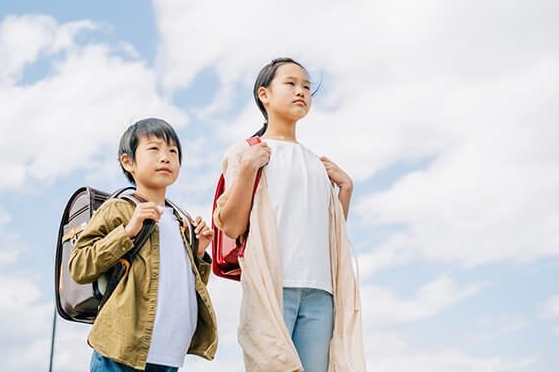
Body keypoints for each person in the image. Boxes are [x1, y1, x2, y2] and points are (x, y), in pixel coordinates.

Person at [213, 58, 366, 371]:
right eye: (291, 83)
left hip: (321, 292)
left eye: (307, 87)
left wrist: (345, 192)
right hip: (273, 287)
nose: (301, 92)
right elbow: (230, 226)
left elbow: (330, 236)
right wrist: (247, 171)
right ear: (264, 95)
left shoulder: (318, 163)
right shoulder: (246, 152)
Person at [69, 117, 218, 371]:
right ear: (129, 162)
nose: (166, 157)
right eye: (154, 149)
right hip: (122, 351)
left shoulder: (183, 221)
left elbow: (180, 286)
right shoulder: (120, 208)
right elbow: (79, 266)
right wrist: (127, 232)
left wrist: (199, 252)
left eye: (173, 151)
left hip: (168, 355)